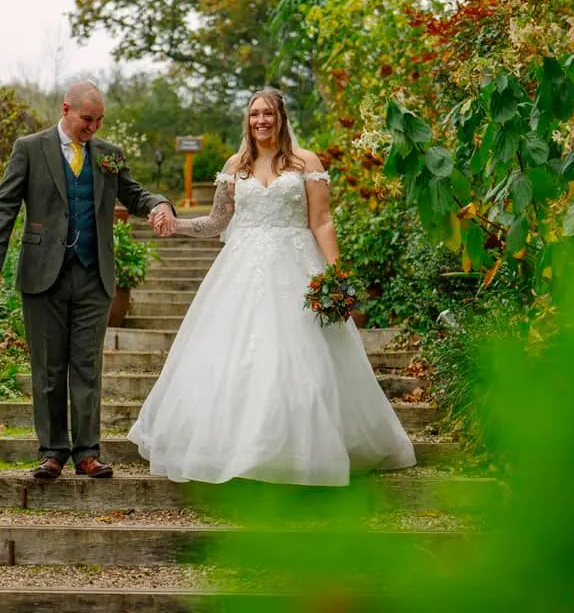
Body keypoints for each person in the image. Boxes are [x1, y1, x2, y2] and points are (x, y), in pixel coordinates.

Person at [130, 88, 416, 486]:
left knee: (304, 360)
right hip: (241, 268)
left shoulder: (305, 163)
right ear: (247, 121)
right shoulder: (235, 165)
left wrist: (334, 272)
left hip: (296, 265)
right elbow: (216, 223)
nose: (260, 120)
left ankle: (305, 450)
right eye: (253, 115)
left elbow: (322, 220)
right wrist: (175, 224)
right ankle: (235, 450)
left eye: (267, 113)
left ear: (281, 117)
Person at [0, 81, 175, 480]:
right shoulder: (30, 148)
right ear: (66, 109)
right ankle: (52, 451)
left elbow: (133, 194)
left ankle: (88, 452)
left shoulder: (108, 155)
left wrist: (159, 204)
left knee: (86, 365)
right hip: (42, 273)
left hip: (93, 274)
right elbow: (4, 204)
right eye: (88, 119)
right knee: (48, 368)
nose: (94, 128)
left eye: (100, 120)